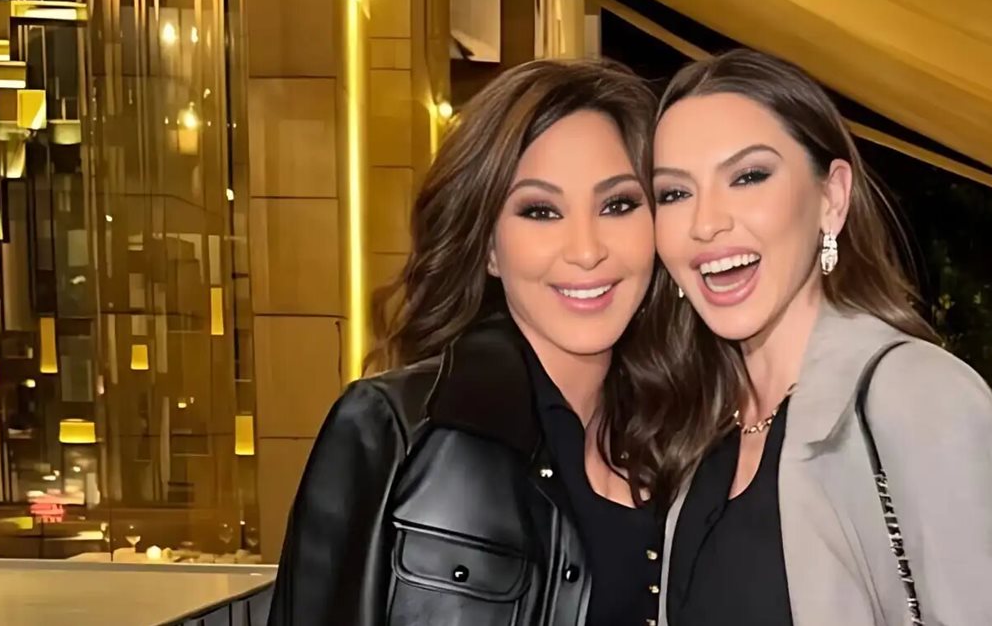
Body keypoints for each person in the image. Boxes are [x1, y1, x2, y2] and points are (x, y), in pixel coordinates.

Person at [650, 49, 992, 626]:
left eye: (749, 176)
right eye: (674, 193)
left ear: (832, 199)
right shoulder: (705, 425)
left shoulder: (918, 397)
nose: (706, 222)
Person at [267, 59, 705, 626]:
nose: (586, 250)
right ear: (490, 249)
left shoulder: (686, 436)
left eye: (617, 205)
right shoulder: (398, 431)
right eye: (540, 211)